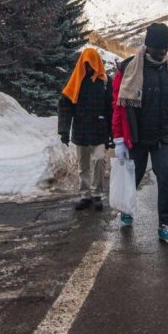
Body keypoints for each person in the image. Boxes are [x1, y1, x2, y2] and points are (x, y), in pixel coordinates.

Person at [111, 23, 168, 244]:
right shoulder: (131, 68)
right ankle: (126, 209)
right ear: (148, 46)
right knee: (133, 176)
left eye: (164, 49)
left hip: (163, 135)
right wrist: (119, 139)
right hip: (138, 135)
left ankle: (164, 225)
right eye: (157, 49)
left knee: (166, 177)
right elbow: (119, 105)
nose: (161, 53)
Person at [58, 47, 112, 211]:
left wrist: (112, 134)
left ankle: (97, 195)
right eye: (86, 64)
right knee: (83, 165)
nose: (89, 68)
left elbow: (111, 108)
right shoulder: (75, 81)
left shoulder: (105, 82)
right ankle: (85, 196)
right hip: (81, 128)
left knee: (99, 161)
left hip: (99, 129)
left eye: (92, 64)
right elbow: (65, 105)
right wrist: (64, 130)